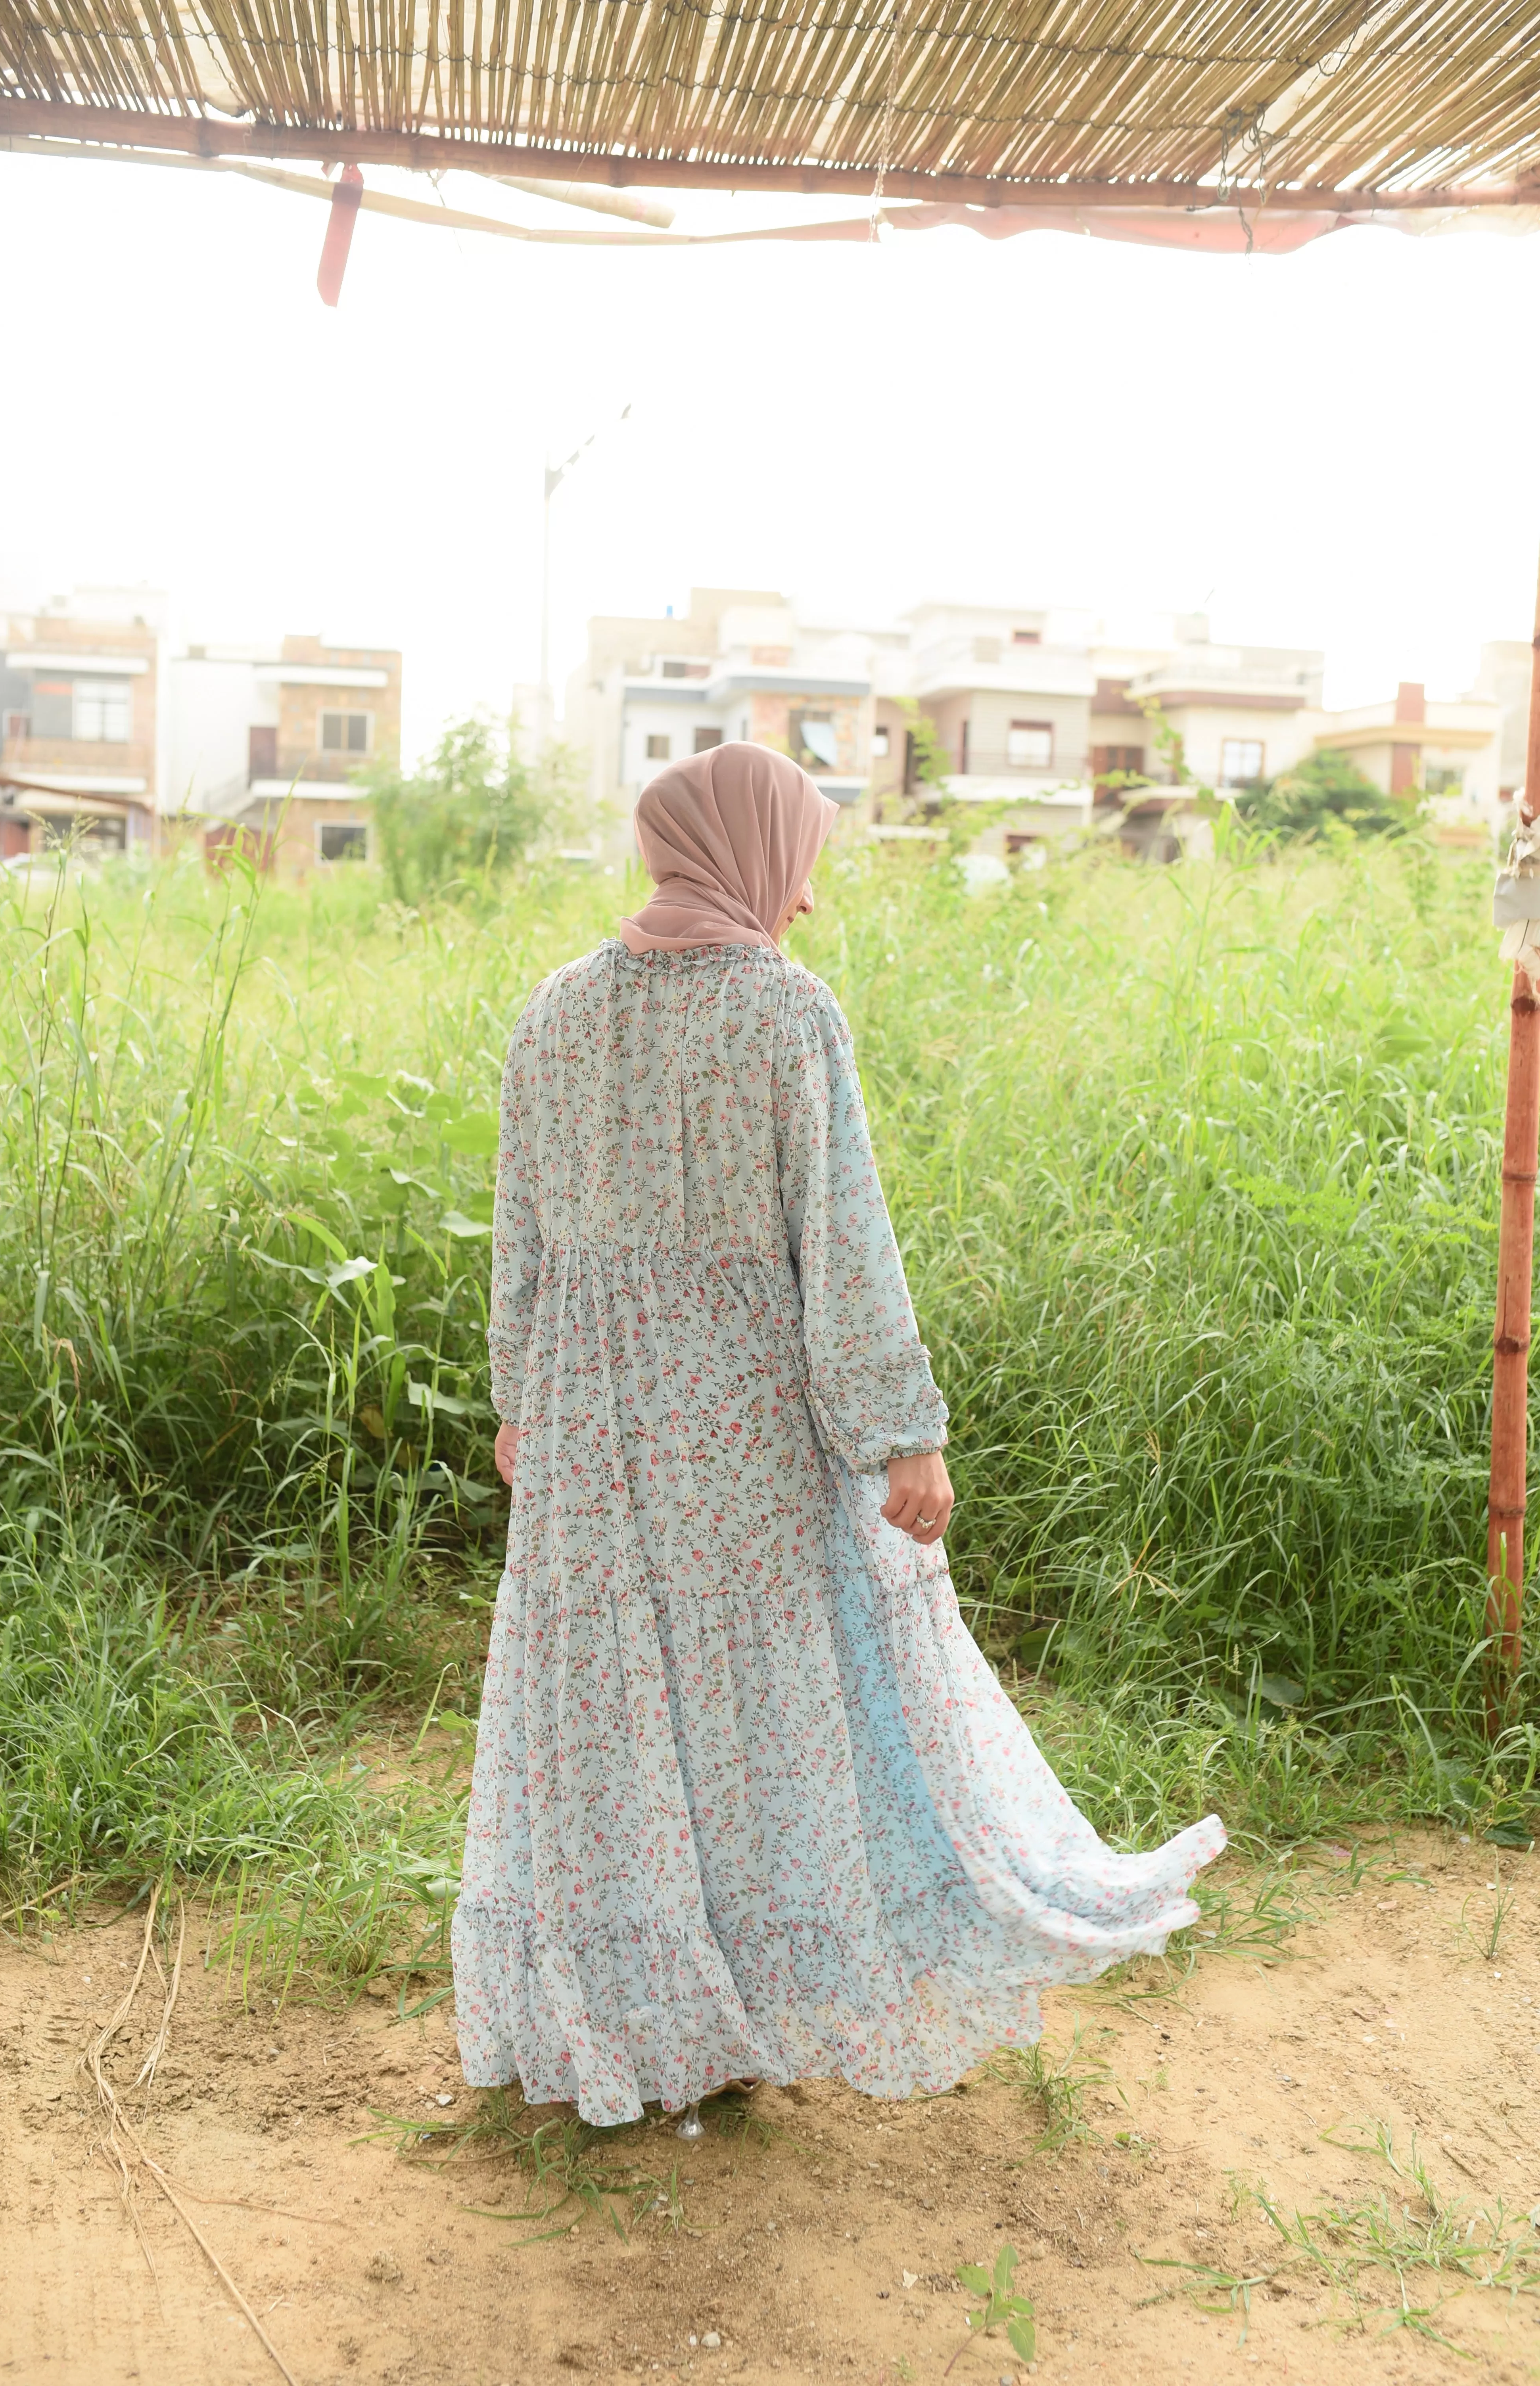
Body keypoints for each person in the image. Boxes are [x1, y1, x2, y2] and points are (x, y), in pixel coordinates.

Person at [451, 742, 1224, 2127]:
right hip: (743, 1416)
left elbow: (524, 1235)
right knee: (761, 1708)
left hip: (588, 1412)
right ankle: (741, 1998)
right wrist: (902, 1435)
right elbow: (844, 1245)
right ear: (749, 852)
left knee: (620, 1706)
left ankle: (646, 2008)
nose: (804, 898)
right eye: (800, 856)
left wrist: (520, 1396)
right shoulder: (786, 1012)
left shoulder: (550, 1014)